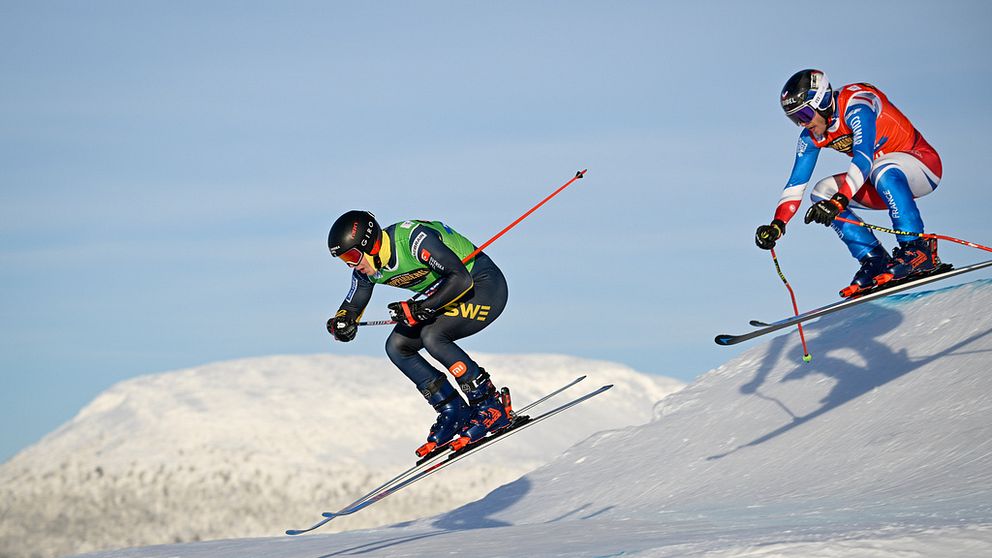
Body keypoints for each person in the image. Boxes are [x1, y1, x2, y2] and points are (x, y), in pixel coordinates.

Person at [326, 210, 511, 455]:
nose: (351, 264)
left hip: (483, 285)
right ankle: (453, 410)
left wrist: (421, 308)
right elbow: (353, 304)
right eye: (344, 261)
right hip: (445, 296)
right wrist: (342, 322)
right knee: (397, 346)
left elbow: (460, 280)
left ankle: (489, 405)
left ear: (369, 244)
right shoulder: (366, 267)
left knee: (433, 336)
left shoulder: (414, 240)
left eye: (351, 256)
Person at [755, 69, 945, 297]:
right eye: (795, 119)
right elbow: (796, 183)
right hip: (880, 182)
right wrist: (777, 224)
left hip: (922, 167)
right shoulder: (812, 135)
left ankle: (916, 248)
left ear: (822, 101)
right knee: (821, 193)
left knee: (880, 167)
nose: (802, 124)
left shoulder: (857, 105)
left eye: (804, 115)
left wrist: (839, 201)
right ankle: (874, 259)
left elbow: (863, 159)